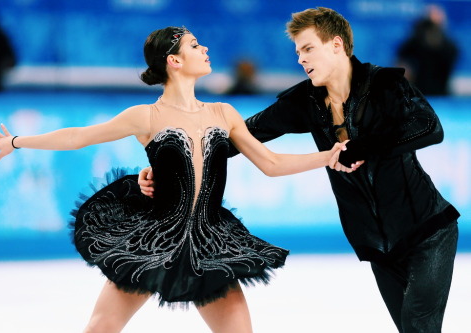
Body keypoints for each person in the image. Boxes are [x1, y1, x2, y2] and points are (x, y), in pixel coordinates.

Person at [0, 26, 359, 333]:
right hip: (156, 239)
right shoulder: (145, 116)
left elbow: (272, 164)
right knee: (101, 328)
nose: (205, 47)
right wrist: (16, 140)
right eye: (195, 45)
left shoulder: (224, 113)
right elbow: (78, 136)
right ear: (174, 61)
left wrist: (327, 157)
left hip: (211, 241)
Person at [138, 9, 461, 333]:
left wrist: (367, 146)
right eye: (297, 52)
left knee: (419, 327)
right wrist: (167, 165)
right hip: (378, 245)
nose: (301, 59)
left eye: (308, 49)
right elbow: (236, 139)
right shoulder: (305, 100)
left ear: (336, 45)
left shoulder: (385, 85)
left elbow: (429, 127)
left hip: (428, 231)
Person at [396, 4, 459, 96]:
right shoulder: (413, 44)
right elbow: (400, 62)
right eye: (428, 26)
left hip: (441, 94)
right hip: (417, 94)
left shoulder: (449, 47)